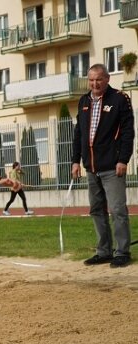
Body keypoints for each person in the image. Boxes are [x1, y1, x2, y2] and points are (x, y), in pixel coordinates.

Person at [72, 64, 134, 268]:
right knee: (96, 210)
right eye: (91, 80)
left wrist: (123, 159)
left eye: (98, 79)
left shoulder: (119, 99)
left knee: (117, 210)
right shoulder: (84, 101)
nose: (94, 84)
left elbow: (127, 132)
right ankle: (103, 251)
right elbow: (78, 134)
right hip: (91, 167)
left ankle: (122, 252)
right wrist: (75, 161)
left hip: (112, 166)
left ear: (107, 79)